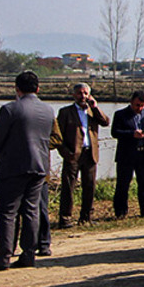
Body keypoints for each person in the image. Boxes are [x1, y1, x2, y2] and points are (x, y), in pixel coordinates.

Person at [0, 71, 56, 271]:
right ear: (38, 89)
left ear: (17, 88)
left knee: (7, 212)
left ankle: (3, 256)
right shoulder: (48, 110)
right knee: (31, 210)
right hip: (39, 166)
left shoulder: (10, 109)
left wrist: (2, 157)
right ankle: (28, 254)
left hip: (14, 166)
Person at [54, 83, 110, 227]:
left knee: (89, 185)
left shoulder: (92, 111)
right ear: (74, 95)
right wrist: (66, 153)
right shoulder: (66, 112)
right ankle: (65, 218)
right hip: (73, 154)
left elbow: (105, 122)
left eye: (85, 93)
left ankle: (86, 217)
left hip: (90, 153)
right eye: (79, 93)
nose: (83, 96)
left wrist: (95, 107)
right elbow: (57, 136)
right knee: (68, 187)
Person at [111, 90, 144, 219]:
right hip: (126, 155)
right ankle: (121, 212)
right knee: (123, 184)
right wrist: (131, 134)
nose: (139, 108)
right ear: (131, 102)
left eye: (142, 105)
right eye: (137, 105)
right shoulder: (120, 114)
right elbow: (115, 132)